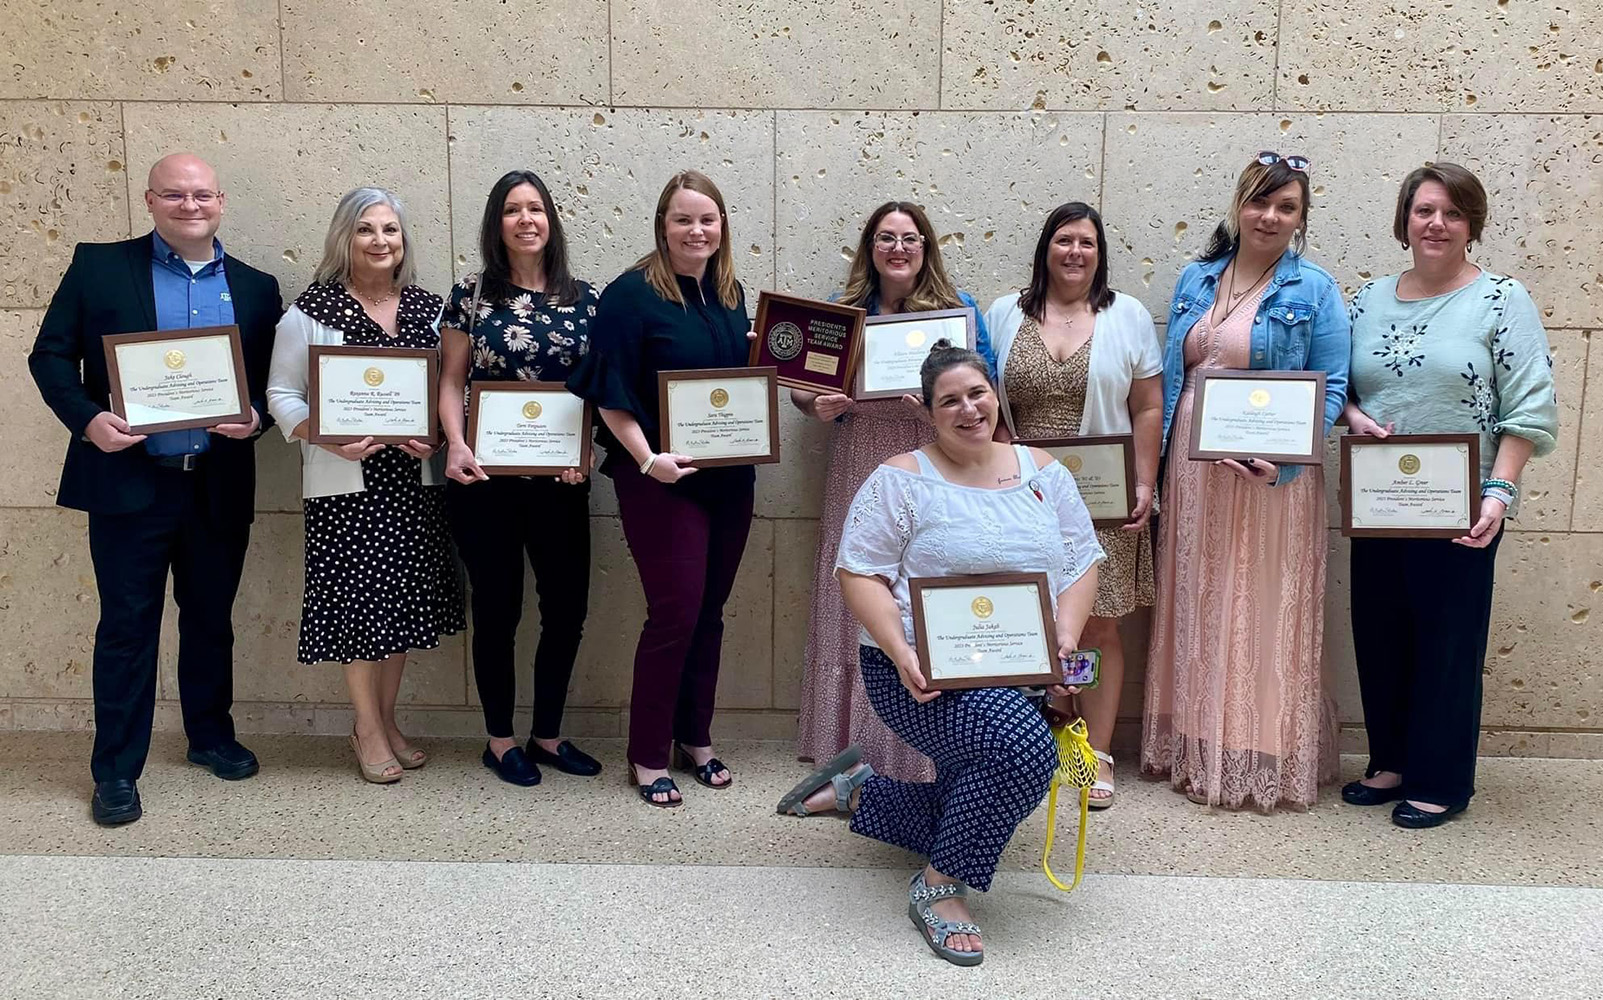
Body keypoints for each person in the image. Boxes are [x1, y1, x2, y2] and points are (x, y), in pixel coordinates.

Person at [777, 340, 1101, 966]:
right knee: (1023, 753)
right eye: (949, 400)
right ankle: (939, 885)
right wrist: (900, 651)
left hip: (1017, 671)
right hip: (916, 673)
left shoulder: (1045, 474)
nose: (968, 409)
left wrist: (1064, 635)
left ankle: (862, 794)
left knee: (988, 780)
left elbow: (1082, 562)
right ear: (928, 411)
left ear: (996, 396)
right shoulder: (899, 479)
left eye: (977, 393)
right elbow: (859, 573)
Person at [29, 153, 283, 826]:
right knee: (126, 629)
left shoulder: (257, 287)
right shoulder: (99, 266)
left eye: (201, 194)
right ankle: (115, 771)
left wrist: (255, 418)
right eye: (175, 194)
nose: (189, 205)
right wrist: (88, 421)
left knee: (209, 620)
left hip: (216, 484)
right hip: (128, 483)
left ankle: (210, 737)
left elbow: (270, 384)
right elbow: (49, 354)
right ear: (150, 200)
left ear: (221, 201)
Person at [1341, 163, 1557, 828]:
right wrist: (1350, 416)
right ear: (1404, 219)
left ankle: (1441, 780)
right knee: (1378, 631)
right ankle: (1392, 761)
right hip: (1377, 502)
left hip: (1463, 506)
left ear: (1471, 225)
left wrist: (1499, 492)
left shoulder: (1500, 299)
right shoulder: (1365, 300)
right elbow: (1337, 385)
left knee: (1447, 642)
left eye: (1451, 213)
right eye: (1424, 210)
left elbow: (1529, 404)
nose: (1435, 224)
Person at [1140, 152, 1351, 811]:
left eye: (1285, 206)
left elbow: (1332, 385)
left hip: (1271, 481)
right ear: (1238, 206)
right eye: (1260, 201)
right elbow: (1171, 381)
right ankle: (1198, 742)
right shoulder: (1195, 279)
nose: (1269, 215)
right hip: (1196, 470)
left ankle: (1261, 752)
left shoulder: (1313, 290)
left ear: (1300, 219)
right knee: (1200, 595)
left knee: (1258, 600)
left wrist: (1285, 458)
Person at [566, 170, 753, 807]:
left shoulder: (730, 293)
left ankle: (694, 739)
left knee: (710, 614)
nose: (696, 230)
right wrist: (648, 461)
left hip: (730, 481)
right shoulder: (628, 296)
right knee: (674, 613)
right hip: (659, 481)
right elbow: (608, 392)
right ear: (662, 226)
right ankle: (648, 753)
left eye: (707, 219)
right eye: (683, 220)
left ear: (722, 225)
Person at [266, 187, 464, 783]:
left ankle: (387, 717)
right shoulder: (310, 312)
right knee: (359, 607)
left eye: (390, 231)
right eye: (366, 230)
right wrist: (323, 437)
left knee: (400, 606)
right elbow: (281, 394)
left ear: (404, 241)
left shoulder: (432, 312)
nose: (381, 241)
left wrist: (433, 433)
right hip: (345, 485)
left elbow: (449, 392)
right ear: (344, 239)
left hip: (413, 483)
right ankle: (365, 729)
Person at [793, 200, 995, 782]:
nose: (898, 248)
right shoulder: (842, 314)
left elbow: (983, 397)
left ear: (926, 247)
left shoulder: (957, 315)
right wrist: (820, 405)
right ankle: (850, 746)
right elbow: (803, 393)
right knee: (856, 588)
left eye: (910, 238)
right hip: (859, 458)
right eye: (886, 238)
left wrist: (941, 409)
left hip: (933, 463)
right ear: (871, 248)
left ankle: (921, 748)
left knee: (924, 586)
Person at [986, 202, 1162, 809]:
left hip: (1101, 503)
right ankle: (1051, 742)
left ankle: (1099, 752)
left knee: (1097, 625)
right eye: (1064, 240)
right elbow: (985, 402)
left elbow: (1146, 407)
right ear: (1045, 248)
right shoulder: (1004, 313)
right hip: (1023, 495)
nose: (1075, 253)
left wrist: (1144, 483)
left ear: (1100, 252)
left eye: (1087, 243)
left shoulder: (1128, 316)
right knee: (1037, 622)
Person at [438, 170, 603, 786]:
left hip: (561, 481)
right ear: (496, 222)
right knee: (499, 609)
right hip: (484, 481)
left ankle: (549, 734)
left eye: (536, 208)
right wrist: (454, 444)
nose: (526, 219)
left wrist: (583, 450)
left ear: (552, 220)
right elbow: (451, 381)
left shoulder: (587, 300)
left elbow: (596, 393)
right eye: (512, 209)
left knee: (566, 610)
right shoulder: (471, 294)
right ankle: (500, 738)